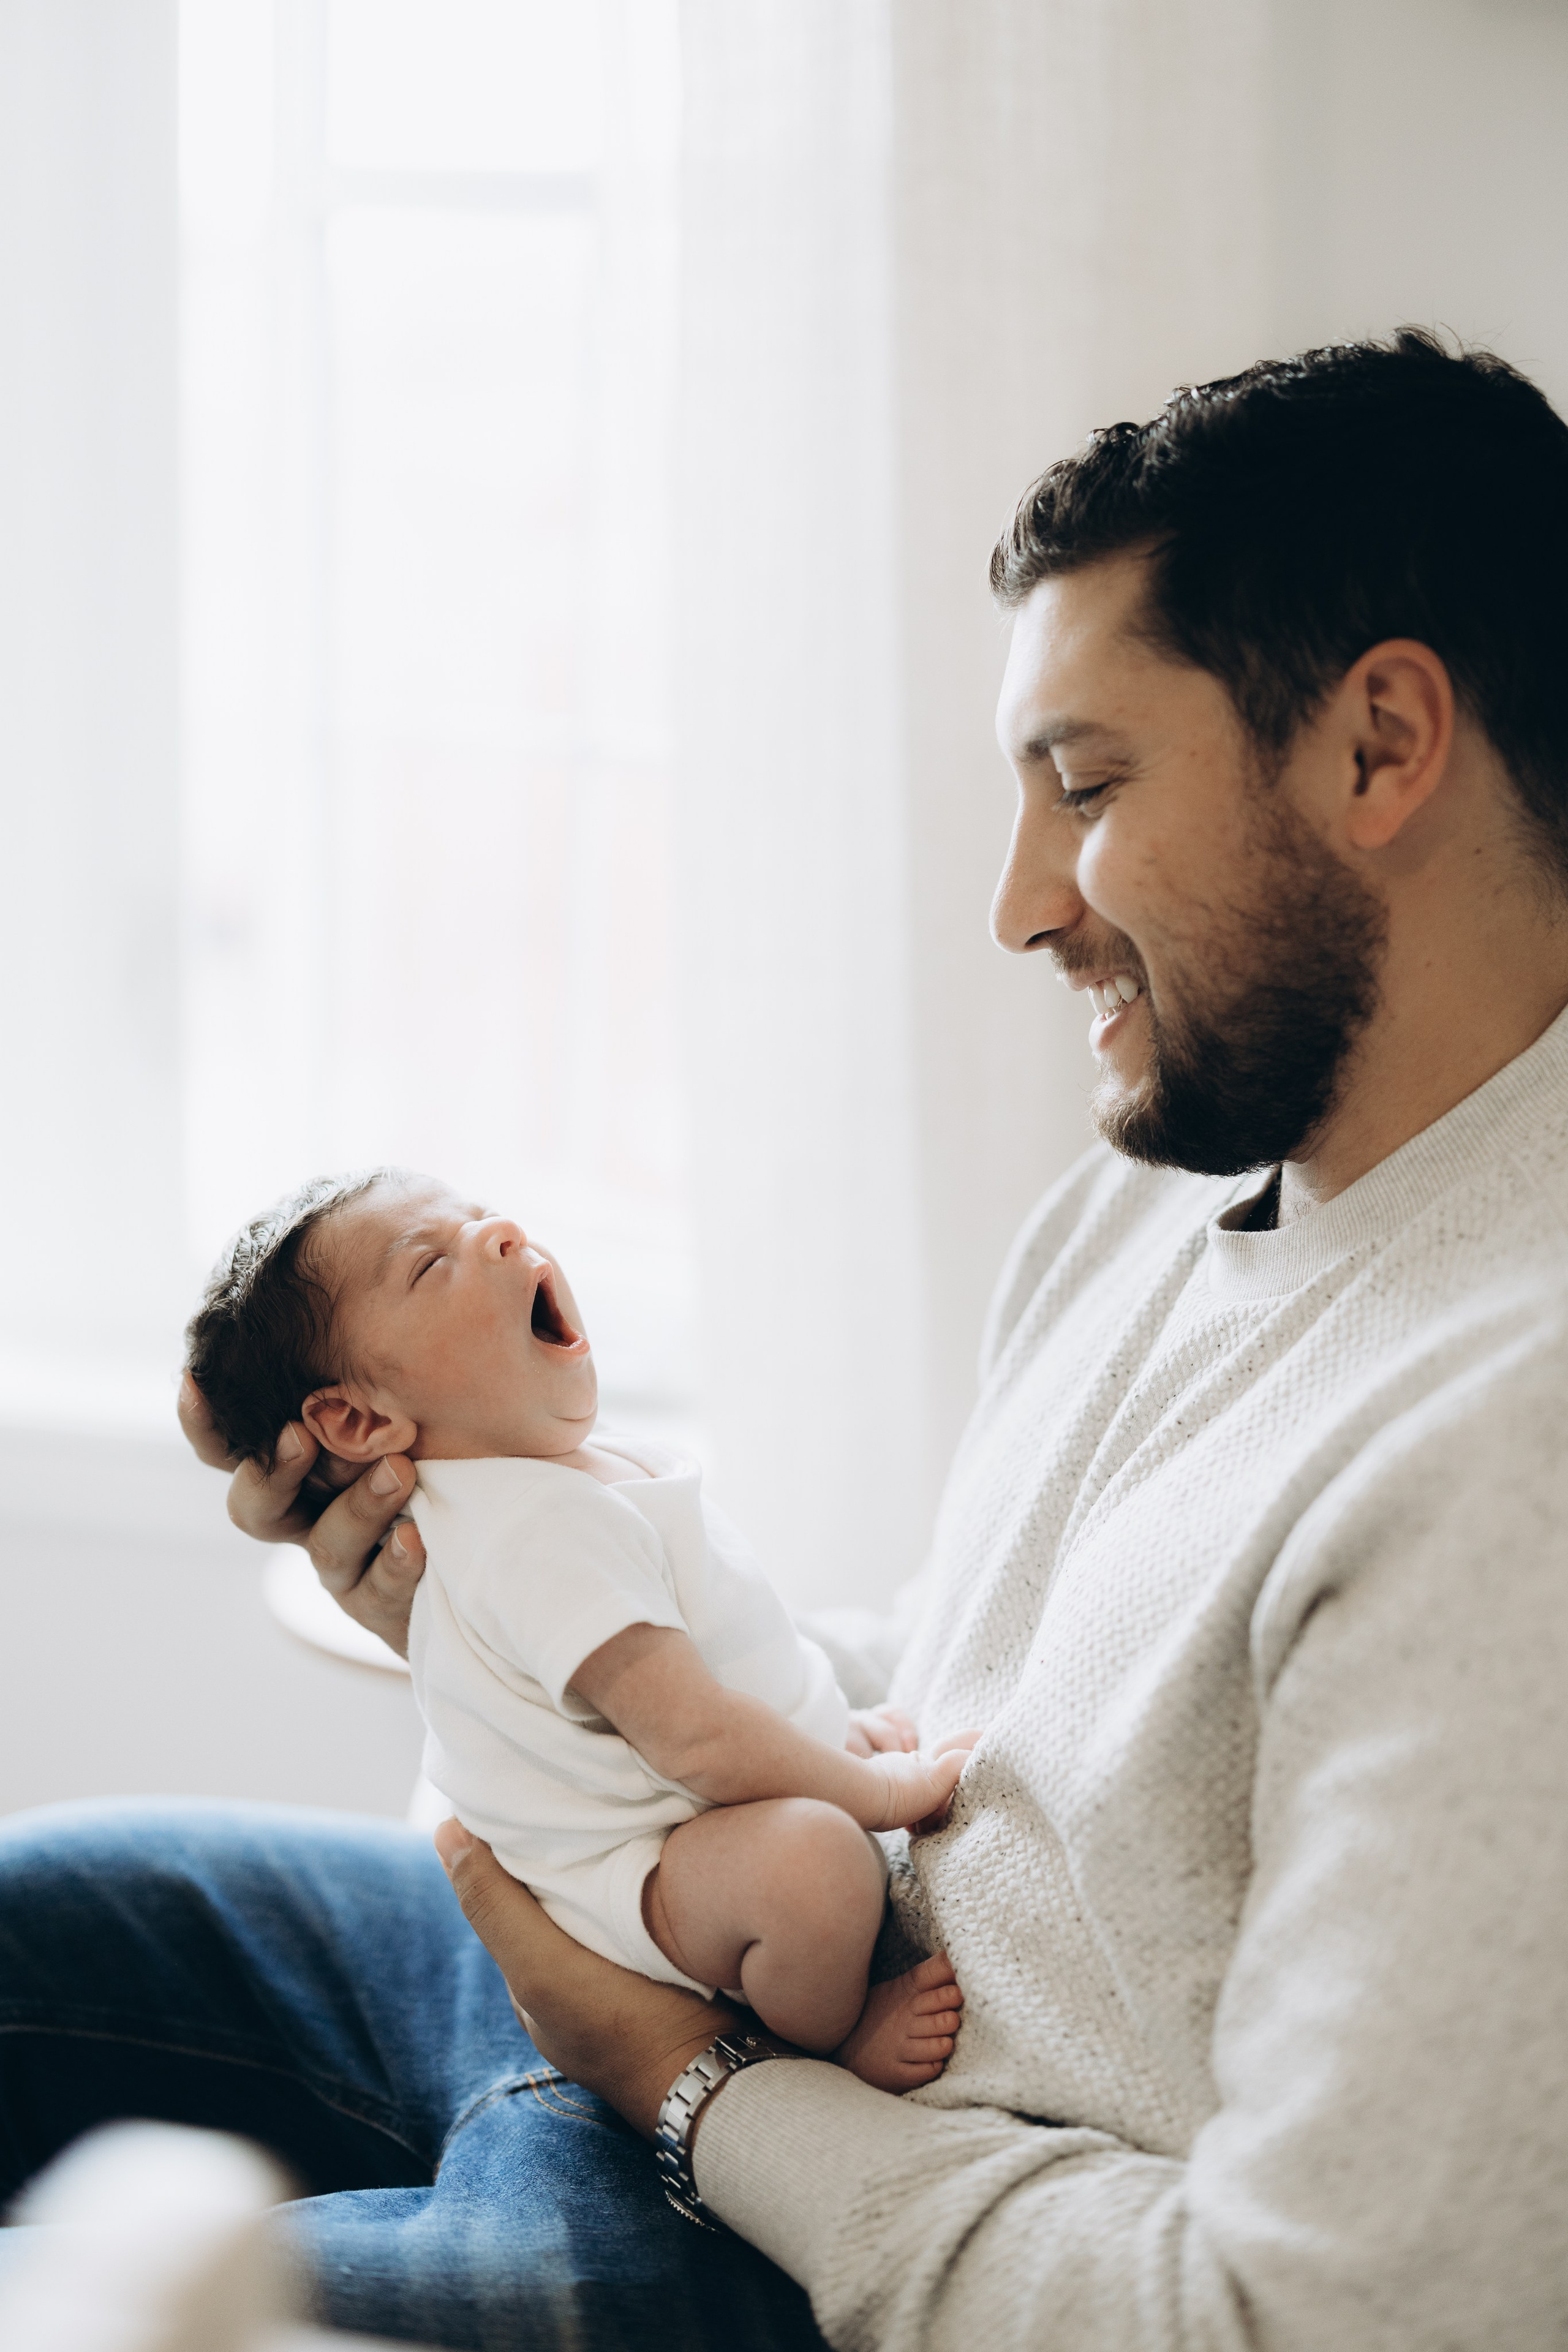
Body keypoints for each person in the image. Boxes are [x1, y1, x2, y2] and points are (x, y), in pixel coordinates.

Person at [4, 326, 1568, 2349]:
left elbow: (1286, 2326)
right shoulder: (1168, 1173)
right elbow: (972, 1692)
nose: (1019, 905)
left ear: (1380, 747)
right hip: (698, 1964)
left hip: (820, 2222)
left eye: (1085, 787)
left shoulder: (1508, 1450)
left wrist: (686, 2079)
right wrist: (499, 1618)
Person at [183, 1166, 970, 2086]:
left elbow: (710, 1644)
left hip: (675, 1816)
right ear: (357, 1417)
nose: (503, 1233)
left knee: (797, 1786)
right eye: (432, 1263)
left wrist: (820, 1731)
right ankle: (831, 2043)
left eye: (480, 1215)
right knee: (817, 1867)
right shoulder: (531, 1528)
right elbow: (695, 1739)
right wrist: (873, 1792)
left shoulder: (532, 1478)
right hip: (636, 1875)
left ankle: (811, 1757)